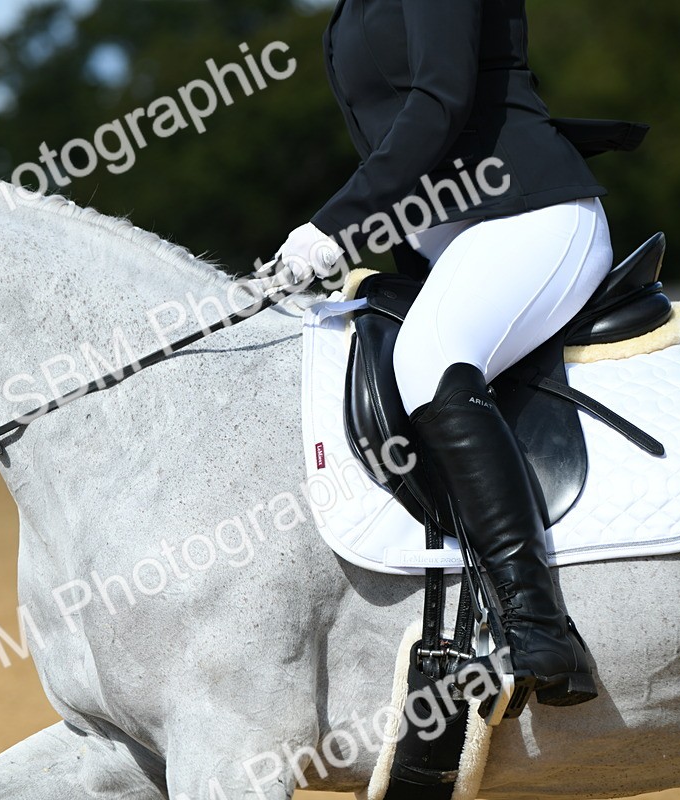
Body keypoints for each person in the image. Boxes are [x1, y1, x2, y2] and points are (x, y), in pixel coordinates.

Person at [273, 0, 641, 707]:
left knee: (430, 358)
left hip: (530, 214)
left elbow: (439, 100)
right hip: (451, 240)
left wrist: (337, 222)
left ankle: (539, 628)